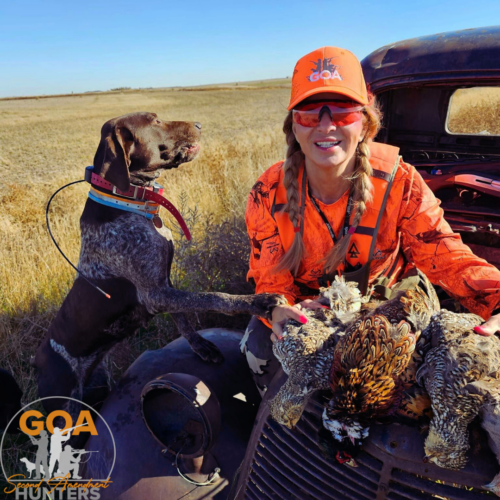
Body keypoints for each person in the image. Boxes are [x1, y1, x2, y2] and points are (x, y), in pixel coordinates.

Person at [241, 46, 500, 395]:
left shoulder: (401, 182)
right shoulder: (268, 192)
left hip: (386, 307)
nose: (326, 125)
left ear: (365, 123)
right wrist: (279, 311)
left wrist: (498, 298)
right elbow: (270, 278)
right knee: (260, 349)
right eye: (310, 115)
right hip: (308, 311)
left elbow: (445, 253)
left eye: (344, 113)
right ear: (294, 127)